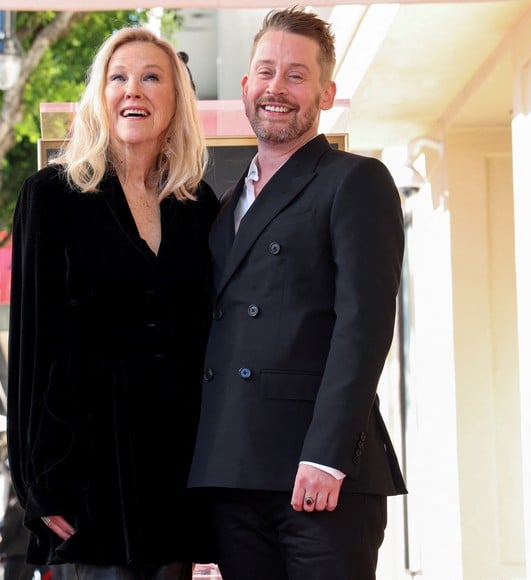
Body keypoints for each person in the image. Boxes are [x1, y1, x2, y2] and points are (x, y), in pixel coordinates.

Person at [187, 7, 408, 580]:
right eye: (265, 72)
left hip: (320, 478)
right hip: (234, 475)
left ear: (326, 92)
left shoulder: (353, 181)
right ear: (245, 86)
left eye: (296, 75)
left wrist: (327, 455)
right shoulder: (222, 206)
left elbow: (364, 326)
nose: (276, 89)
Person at [7, 26, 218, 580]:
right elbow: (30, 345)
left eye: (152, 77)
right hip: (85, 481)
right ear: (99, 96)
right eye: (118, 78)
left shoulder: (199, 208)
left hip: (178, 475)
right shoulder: (51, 196)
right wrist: (34, 485)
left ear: (176, 100)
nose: (134, 91)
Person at [0, 487, 40, 580]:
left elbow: (8, 532)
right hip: (30, 556)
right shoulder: (34, 508)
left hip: (15, 556)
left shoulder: (15, 508)